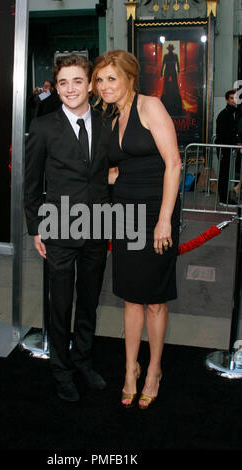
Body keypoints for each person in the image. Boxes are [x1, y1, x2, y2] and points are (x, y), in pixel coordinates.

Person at [92, 50, 181, 410]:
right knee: (130, 297)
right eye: (99, 80)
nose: (103, 86)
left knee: (155, 300)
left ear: (130, 79)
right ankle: (130, 369)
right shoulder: (114, 116)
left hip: (155, 213)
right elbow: (118, 170)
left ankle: (154, 370)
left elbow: (173, 164)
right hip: (124, 213)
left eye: (111, 78)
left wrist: (164, 219)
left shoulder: (150, 106)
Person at [24, 54, 111, 402]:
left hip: (97, 227)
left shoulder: (107, 123)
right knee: (60, 305)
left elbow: (111, 169)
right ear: (55, 87)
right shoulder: (44, 127)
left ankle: (83, 361)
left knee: (89, 302)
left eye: (77, 81)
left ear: (90, 84)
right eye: (63, 82)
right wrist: (36, 228)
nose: (71, 88)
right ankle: (61, 371)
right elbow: (32, 184)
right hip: (58, 229)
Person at [216, 89, 240, 206]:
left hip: (230, 147)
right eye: (231, 98)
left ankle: (227, 196)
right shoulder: (223, 115)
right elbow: (224, 134)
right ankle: (223, 199)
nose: (234, 100)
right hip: (224, 147)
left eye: (235, 98)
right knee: (224, 173)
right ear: (226, 100)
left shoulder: (235, 113)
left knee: (228, 172)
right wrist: (235, 143)